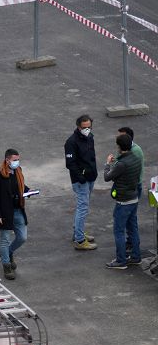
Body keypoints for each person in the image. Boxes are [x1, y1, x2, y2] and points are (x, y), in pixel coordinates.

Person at [103, 133, 143, 270]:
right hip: (134, 198)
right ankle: (136, 257)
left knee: (119, 231)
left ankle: (121, 260)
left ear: (119, 147)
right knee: (133, 228)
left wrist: (107, 164)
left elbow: (107, 177)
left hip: (123, 201)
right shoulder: (136, 158)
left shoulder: (122, 164)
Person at [0, 148, 30, 281]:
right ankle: (6, 265)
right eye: (14, 160)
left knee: (22, 237)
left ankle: (9, 252)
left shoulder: (18, 171)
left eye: (18, 160)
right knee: (4, 240)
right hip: (6, 212)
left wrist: (29, 191)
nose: (17, 162)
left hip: (18, 210)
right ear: (7, 160)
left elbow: (21, 186)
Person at [64, 114, 99, 250]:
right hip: (81, 181)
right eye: (84, 127)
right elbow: (70, 164)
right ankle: (79, 240)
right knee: (82, 208)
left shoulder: (90, 137)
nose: (87, 129)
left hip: (90, 177)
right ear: (78, 127)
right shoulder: (71, 142)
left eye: (89, 127)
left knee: (83, 207)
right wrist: (81, 177)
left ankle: (77, 232)